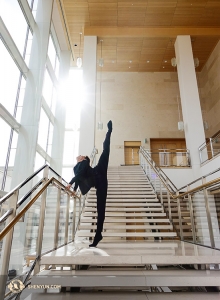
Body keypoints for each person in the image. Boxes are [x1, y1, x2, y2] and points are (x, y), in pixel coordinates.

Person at [66, 120, 112, 247]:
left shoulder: (85, 161)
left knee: (105, 150)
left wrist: (70, 184)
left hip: (99, 171)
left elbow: (79, 176)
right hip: (99, 183)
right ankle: (98, 235)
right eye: (79, 155)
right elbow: (79, 177)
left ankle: (109, 131)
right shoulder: (77, 167)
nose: (79, 155)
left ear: (83, 158)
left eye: (81, 155)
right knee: (100, 209)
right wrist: (74, 189)